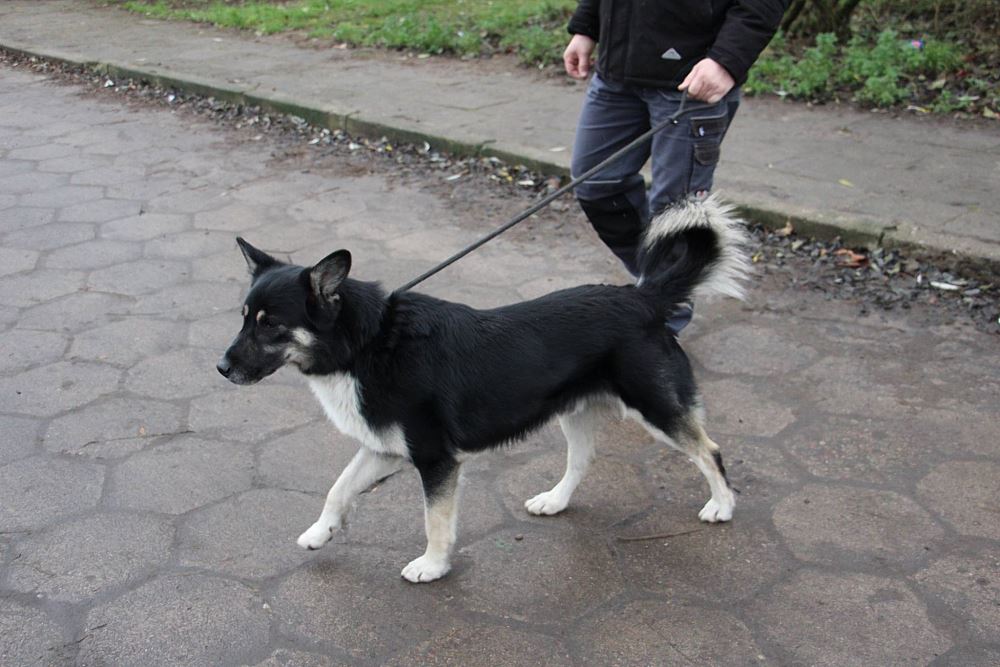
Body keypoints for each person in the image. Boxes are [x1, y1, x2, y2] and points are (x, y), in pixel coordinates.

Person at [565, 0, 788, 332]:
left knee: (675, 214)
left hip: (691, 81)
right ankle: (662, 283)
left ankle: (662, 329)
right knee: (595, 183)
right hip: (616, 72)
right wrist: (587, 27)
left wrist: (726, 60)